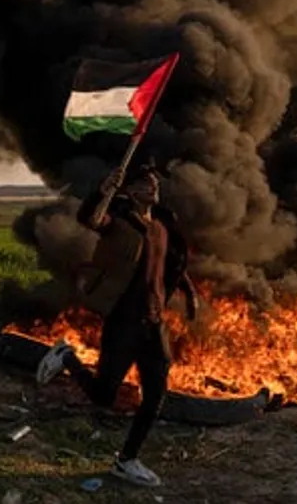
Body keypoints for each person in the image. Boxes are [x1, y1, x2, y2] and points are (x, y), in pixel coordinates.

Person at [34, 160, 197, 488]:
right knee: (103, 395)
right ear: (130, 191)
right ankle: (67, 358)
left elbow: (167, 263)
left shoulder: (163, 224)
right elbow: (91, 219)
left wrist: (189, 290)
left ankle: (127, 460)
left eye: (155, 183)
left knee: (155, 395)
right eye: (145, 184)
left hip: (153, 322)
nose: (153, 188)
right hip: (123, 320)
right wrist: (103, 192)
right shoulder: (119, 222)